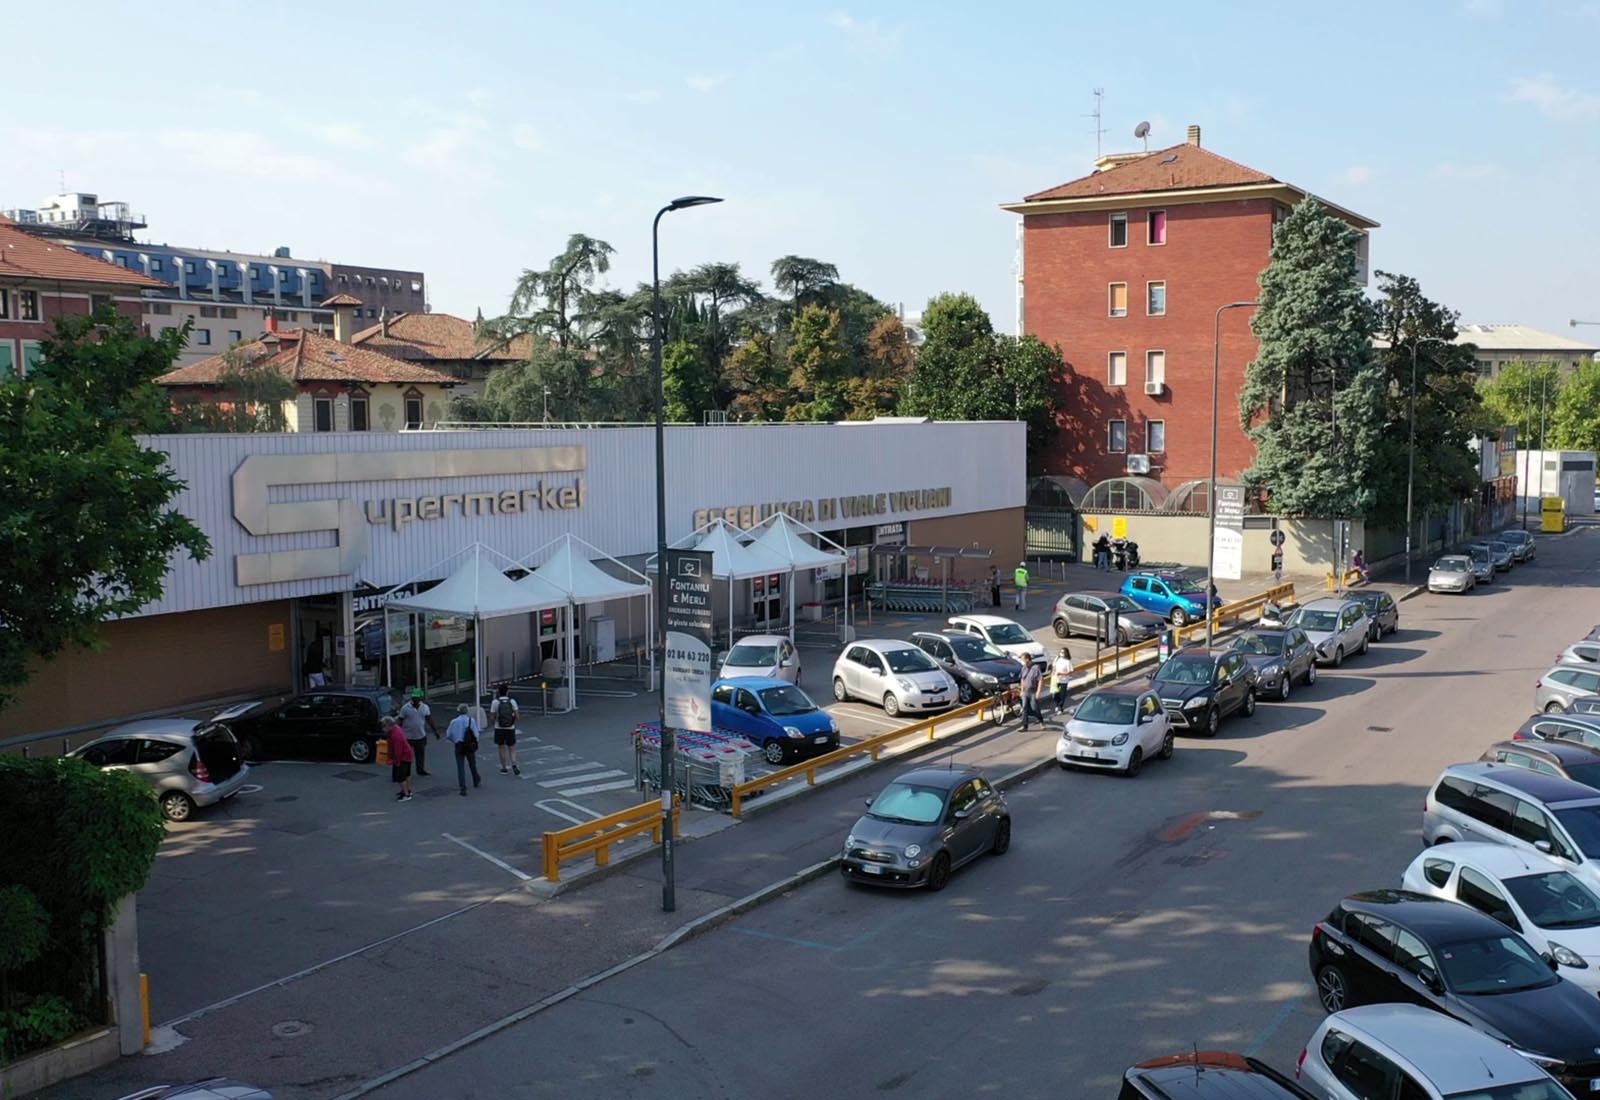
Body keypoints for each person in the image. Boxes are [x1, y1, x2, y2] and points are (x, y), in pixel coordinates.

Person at [397, 688, 437, 776]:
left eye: (417, 697)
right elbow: (400, 720)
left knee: (420, 754)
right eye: (413, 697)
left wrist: (435, 731)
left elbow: (429, 720)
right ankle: (406, 771)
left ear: (420, 698)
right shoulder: (405, 708)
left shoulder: (425, 707)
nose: (414, 699)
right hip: (408, 737)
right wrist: (398, 733)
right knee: (407, 755)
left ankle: (420, 770)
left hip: (420, 735)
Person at [445, 703, 482, 796]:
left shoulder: (454, 721)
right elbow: (476, 734)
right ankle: (475, 779)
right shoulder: (471, 720)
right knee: (472, 764)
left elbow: (448, 735)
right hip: (469, 745)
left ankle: (463, 786)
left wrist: (454, 740)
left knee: (460, 766)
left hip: (459, 745)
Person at [491, 683, 520, 776]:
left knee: (501, 747)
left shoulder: (495, 702)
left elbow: (492, 717)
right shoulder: (512, 702)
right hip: (510, 727)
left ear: (498, 692)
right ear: (507, 692)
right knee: (512, 747)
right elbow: (518, 716)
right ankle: (514, 764)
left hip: (499, 727)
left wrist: (495, 722)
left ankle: (504, 767)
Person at [384, 716, 414, 802]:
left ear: (388, 726)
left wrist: (395, 761)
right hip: (407, 755)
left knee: (400, 776)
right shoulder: (396, 729)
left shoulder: (395, 735)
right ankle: (408, 790)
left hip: (403, 756)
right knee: (407, 774)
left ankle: (406, 794)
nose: (382, 729)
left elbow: (398, 751)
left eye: (383, 726)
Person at [1018, 653, 1045, 731]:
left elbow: (1040, 680)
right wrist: (1022, 690)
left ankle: (1041, 721)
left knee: (1034, 708)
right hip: (1025, 691)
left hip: (1033, 691)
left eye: (1023, 659)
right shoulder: (1023, 668)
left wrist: (1039, 691)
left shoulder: (1036, 668)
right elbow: (1022, 679)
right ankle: (1025, 726)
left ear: (1027, 659)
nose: (1022, 661)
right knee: (1024, 708)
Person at [1050, 646, 1074, 714]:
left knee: (1062, 695)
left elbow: (1070, 671)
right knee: (1054, 694)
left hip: (1064, 680)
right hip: (1055, 679)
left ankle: (1060, 707)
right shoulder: (1057, 658)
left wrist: (1062, 673)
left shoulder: (1068, 661)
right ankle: (1058, 705)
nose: (1061, 653)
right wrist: (1054, 672)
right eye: (1061, 652)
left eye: (1063, 652)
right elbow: (1053, 666)